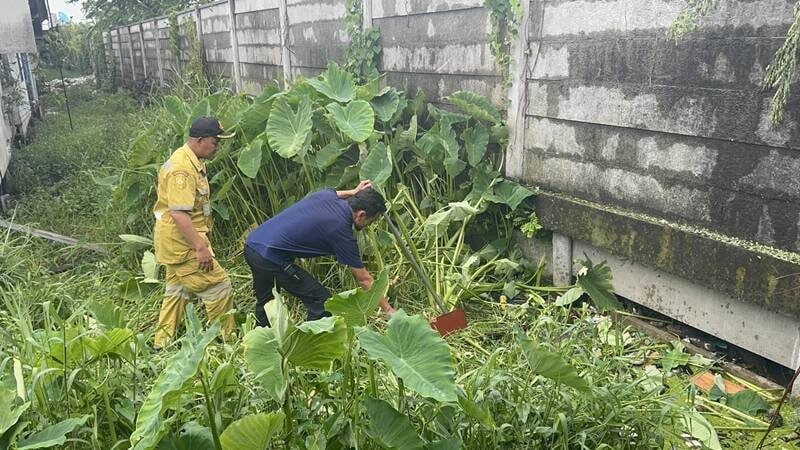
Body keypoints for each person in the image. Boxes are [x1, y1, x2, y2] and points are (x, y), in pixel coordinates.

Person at [244, 181, 396, 326]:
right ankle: (307, 341)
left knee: (267, 302)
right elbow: (364, 279)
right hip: (270, 258)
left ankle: (262, 337)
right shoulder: (341, 232)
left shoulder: (326, 196)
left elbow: (336, 193)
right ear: (361, 215)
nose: (369, 225)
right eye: (371, 221)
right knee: (322, 304)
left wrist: (354, 191)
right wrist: (389, 310)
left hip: (253, 244)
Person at [151, 117, 236, 348]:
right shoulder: (183, 170)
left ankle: (161, 344)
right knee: (219, 286)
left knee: (176, 292)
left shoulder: (192, 160)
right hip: (184, 244)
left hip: (175, 243)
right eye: (215, 142)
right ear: (199, 140)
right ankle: (226, 343)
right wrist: (200, 247)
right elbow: (179, 214)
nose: (217, 147)